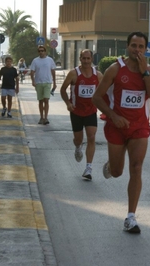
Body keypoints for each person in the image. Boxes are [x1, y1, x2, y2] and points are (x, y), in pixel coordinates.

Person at [92, 32, 150, 234]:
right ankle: (112, 165)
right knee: (117, 172)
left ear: (146, 49)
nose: (137, 50)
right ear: (127, 47)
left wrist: (145, 73)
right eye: (134, 46)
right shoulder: (115, 69)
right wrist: (113, 116)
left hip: (139, 127)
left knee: (137, 167)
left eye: (141, 47)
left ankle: (131, 217)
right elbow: (97, 98)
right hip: (116, 126)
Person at [60, 49, 103, 181]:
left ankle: (88, 168)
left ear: (92, 59)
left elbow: (102, 92)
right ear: (80, 59)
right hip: (76, 111)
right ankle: (78, 147)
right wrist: (68, 103)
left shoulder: (98, 75)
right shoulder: (74, 74)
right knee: (78, 139)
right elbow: (63, 90)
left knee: (91, 137)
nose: (86, 61)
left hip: (91, 111)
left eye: (88, 59)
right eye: (83, 58)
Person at [30, 45, 57, 125]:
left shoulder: (50, 60)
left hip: (47, 82)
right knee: (41, 101)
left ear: (45, 51)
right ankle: (41, 117)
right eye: (39, 51)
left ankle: (46, 117)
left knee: (46, 100)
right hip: (39, 83)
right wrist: (33, 81)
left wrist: (54, 82)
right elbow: (32, 72)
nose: (41, 52)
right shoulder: (35, 61)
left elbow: (53, 71)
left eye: (42, 51)